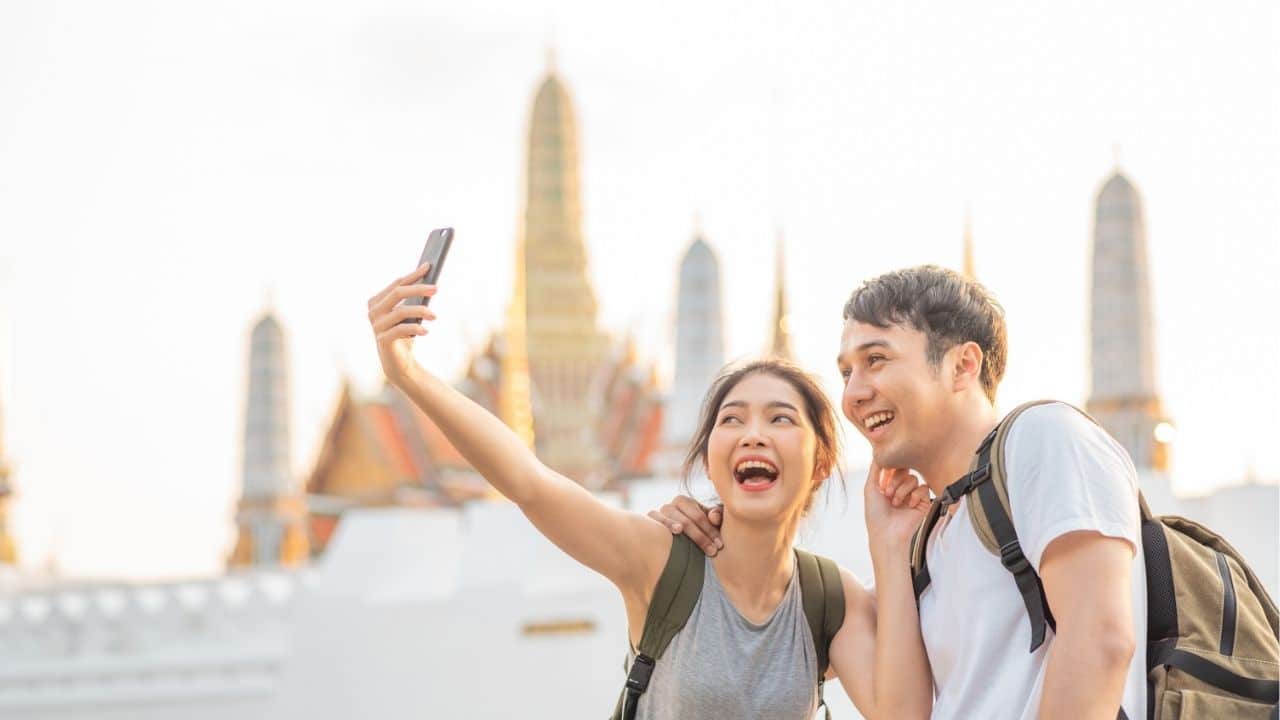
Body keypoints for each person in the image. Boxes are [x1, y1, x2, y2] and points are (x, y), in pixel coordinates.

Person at [365, 262, 927, 719]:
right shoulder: (659, 561)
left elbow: (901, 715)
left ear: (821, 462)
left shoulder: (830, 598)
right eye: (732, 421)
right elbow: (529, 483)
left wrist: (890, 547)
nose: (753, 434)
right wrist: (408, 375)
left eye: (780, 420)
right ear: (710, 456)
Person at [655, 265, 1146, 719]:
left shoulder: (1043, 437)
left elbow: (1100, 641)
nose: (853, 394)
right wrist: (889, 549)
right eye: (847, 372)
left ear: (962, 366)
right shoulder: (933, 535)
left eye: (876, 360)